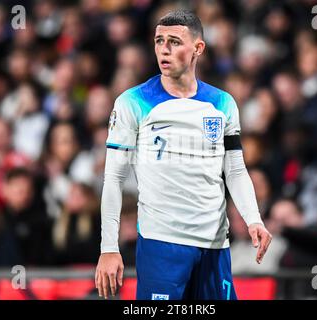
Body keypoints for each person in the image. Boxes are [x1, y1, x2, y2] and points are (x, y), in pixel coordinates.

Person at [95, 10, 272, 300]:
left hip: (214, 245)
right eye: (159, 40)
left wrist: (254, 219)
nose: (164, 49)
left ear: (198, 48)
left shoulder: (222, 103)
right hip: (161, 244)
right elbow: (114, 178)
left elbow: (236, 171)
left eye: (174, 41)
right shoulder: (132, 102)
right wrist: (109, 248)